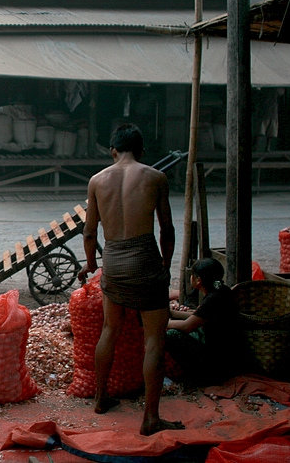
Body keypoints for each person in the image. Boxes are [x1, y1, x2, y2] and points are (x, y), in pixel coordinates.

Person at [77, 123, 183, 436]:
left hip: (113, 263)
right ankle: (150, 418)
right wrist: (164, 265)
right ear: (141, 150)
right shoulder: (155, 177)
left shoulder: (97, 180)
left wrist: (91, 264)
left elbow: (89, 231)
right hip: (145, 261)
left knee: (109, 330)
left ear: (113, 150)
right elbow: (167, 228)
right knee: (154, 340)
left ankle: (100, 398)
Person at [166, 258, 242, 386]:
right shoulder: (220, 289)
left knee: (171, 335)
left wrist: (165, 323)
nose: (191, 278)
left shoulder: (213, 299)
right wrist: (172, 313)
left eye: (192, 275)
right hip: (227, 353)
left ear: (198, 280)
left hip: (216, 359)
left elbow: (187, 326)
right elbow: (198, 315)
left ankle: (197, 375)